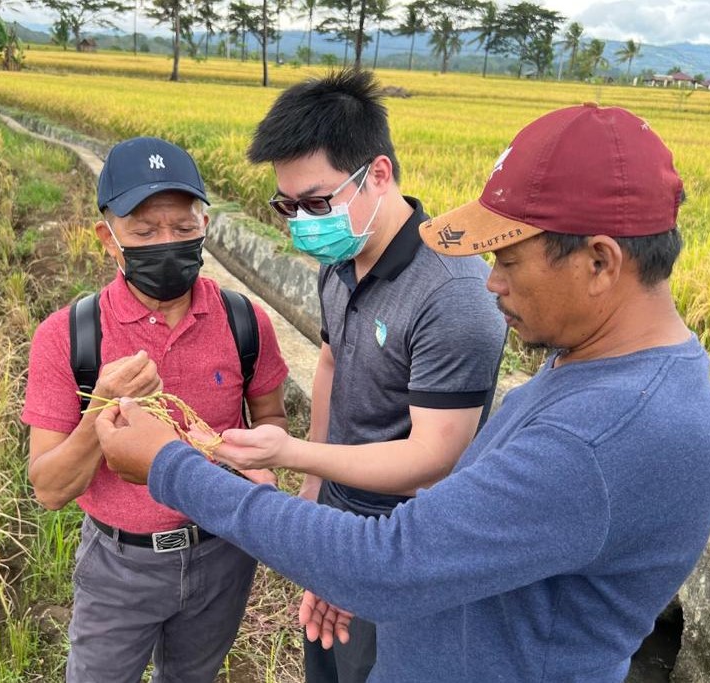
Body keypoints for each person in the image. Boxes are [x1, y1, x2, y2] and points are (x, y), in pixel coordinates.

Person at [93, 103, 710, 682]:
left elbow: (393, 555)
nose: (491, 286)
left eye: (507, 262)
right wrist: (347, 565)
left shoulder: (605, 432)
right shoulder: (587, 369)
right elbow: (451, 535)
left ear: (600, 262)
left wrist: (170, 467)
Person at [216, 69, 506, 682]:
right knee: (326, 665)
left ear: (377, 173)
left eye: (316, 202)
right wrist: (318, 492)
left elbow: (433, 459)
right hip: (343, 515)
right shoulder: (341, 259)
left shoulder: (452, 295)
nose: (300, 220)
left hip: (406, 536)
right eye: (287, 205)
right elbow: (329, 361)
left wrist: (295, 454)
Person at [20, 136, 289, 682]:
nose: (166, 242)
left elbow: (272, 419)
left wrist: (261, 463)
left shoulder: (245, 322)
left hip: (222, 555)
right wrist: (100, 410)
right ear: (108, 238)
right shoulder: (68, 337)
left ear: (206, 225)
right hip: (119, 565)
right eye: (144, 231)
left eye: (184, 228)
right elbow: (49, 489)